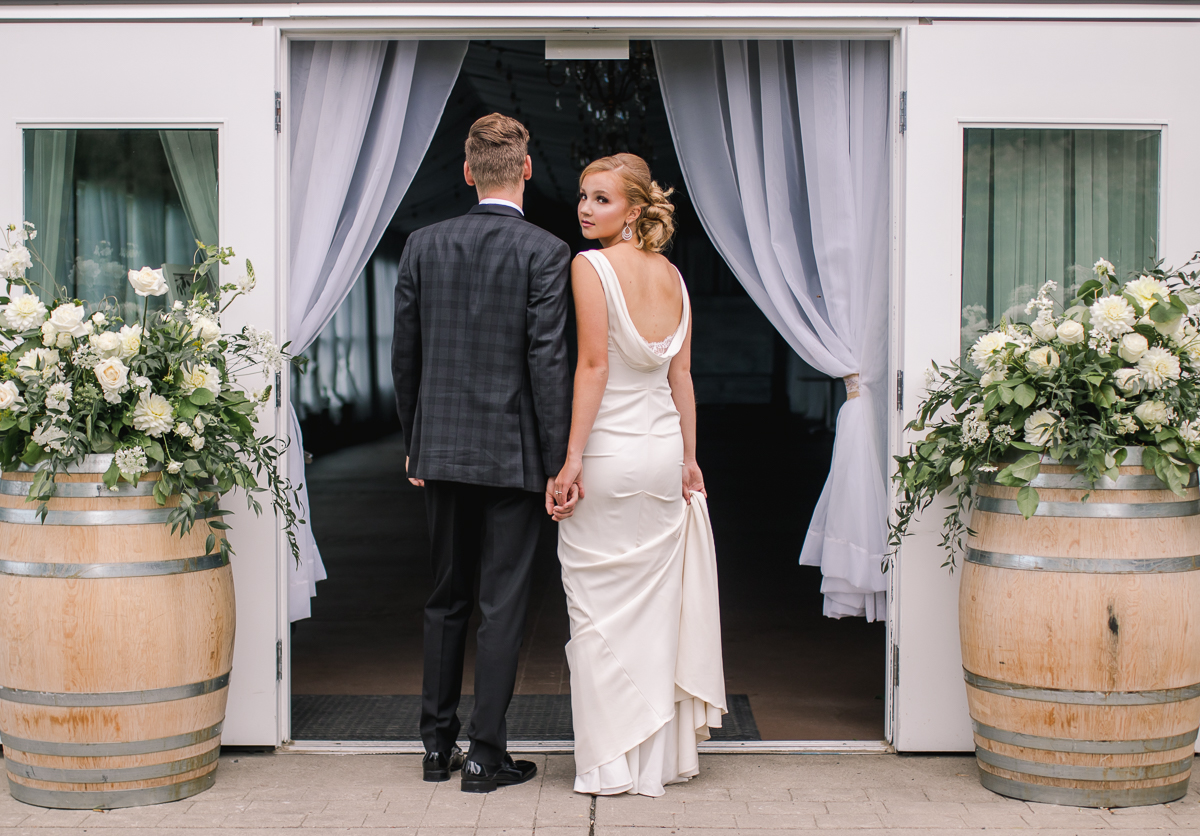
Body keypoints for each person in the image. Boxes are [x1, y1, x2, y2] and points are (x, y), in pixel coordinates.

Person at [392, 113, 572, 793]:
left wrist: (416, 445)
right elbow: (546, 363)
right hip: (514, 456)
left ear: (467, 171)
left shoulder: (422, 246)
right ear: (526, 169)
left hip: (439, 449)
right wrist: (558, 462)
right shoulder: (547, 252)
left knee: (445, 599)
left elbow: (403, 356)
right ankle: (483, 754)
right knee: (503, 605)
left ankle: (435, 748)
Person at [549, 153, 727, 797]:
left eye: (600, 199)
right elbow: (682, 379)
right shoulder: (674, 277)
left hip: (609, 455)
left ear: (632, 209)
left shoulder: (589, 266)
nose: (585, 208)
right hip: (660, 457)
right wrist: (689, 458)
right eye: (583, 197)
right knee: (654, 612)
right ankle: (654, 759)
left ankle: (608, 764)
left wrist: (570, 460)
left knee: (595, 612)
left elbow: (593, 368)